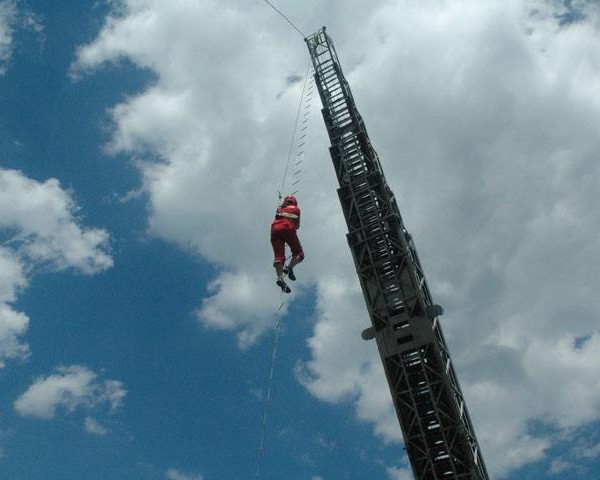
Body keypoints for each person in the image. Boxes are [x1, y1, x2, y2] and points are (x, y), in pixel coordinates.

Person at [270, 195, 304, 293]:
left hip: (274, 228)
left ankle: (280, 277)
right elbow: (297, 226)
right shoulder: (296, 209)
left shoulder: (280, 208)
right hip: (287, 227)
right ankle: (289, 268)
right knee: (299, 253)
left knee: (278, 256)